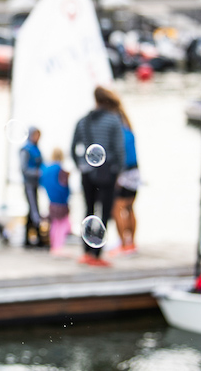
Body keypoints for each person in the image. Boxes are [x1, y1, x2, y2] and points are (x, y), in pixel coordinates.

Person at [71, 86, 126, 267]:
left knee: (88, 210)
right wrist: (118, 171)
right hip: (108, 172)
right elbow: (119, 149)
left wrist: (81, 165)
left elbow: (73, 148)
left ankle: (86, 252)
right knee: (104, 213)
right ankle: (97, 254)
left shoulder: (82, 121)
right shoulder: (113, 120)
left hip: (87, 173)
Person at [111, 94, 140, 255]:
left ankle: (123, 244)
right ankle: (132, 243)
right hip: (135, 172)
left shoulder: (118, 133)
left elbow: (119, 156)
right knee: (130, 207)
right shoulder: (129, 130)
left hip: (124, 172)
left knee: (117, 208)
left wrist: (116, 176)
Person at [40, 148, 71, 257]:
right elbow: (63, 187)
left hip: (51, 201)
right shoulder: (60, 170)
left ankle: (54, 246)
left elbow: (43, 183)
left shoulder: (46, 169)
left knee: (54, 224)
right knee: (62, 224)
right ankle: (58, 247)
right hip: (61, 202)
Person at [20, 126, 46, 247]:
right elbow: (24, 169)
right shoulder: (26, 150)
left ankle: (28, 239)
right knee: (34, 210)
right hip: (29, 184)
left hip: (35, 184)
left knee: (32, 210)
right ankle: (37, 237)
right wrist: (37, 172)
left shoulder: (36, 148)